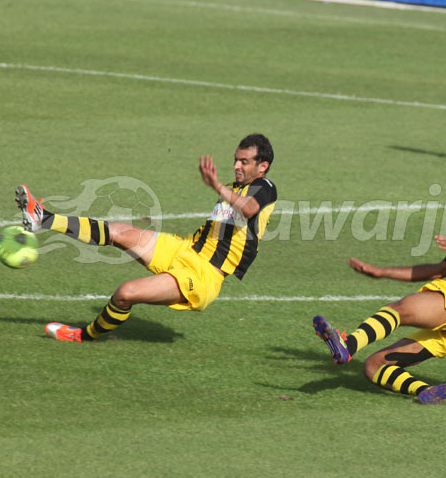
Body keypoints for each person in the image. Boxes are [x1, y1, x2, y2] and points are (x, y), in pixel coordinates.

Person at [15, 134, 277, 342]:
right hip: (184, 248)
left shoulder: (265, 188)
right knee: (118, 231)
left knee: (125, 293)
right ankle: (43, 218)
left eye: (244, 162)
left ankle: (83, 335)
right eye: (236, 160)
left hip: (203, 275)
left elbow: (249, 209)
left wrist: (216, 185)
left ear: (262, 166)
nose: (236, 166)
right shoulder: (233, 187)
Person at [312, 174, 446, 404]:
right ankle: (425, 391)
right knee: (374, 366)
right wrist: (383, 272)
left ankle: (349, 345)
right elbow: (438, 270)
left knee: (400, 310)